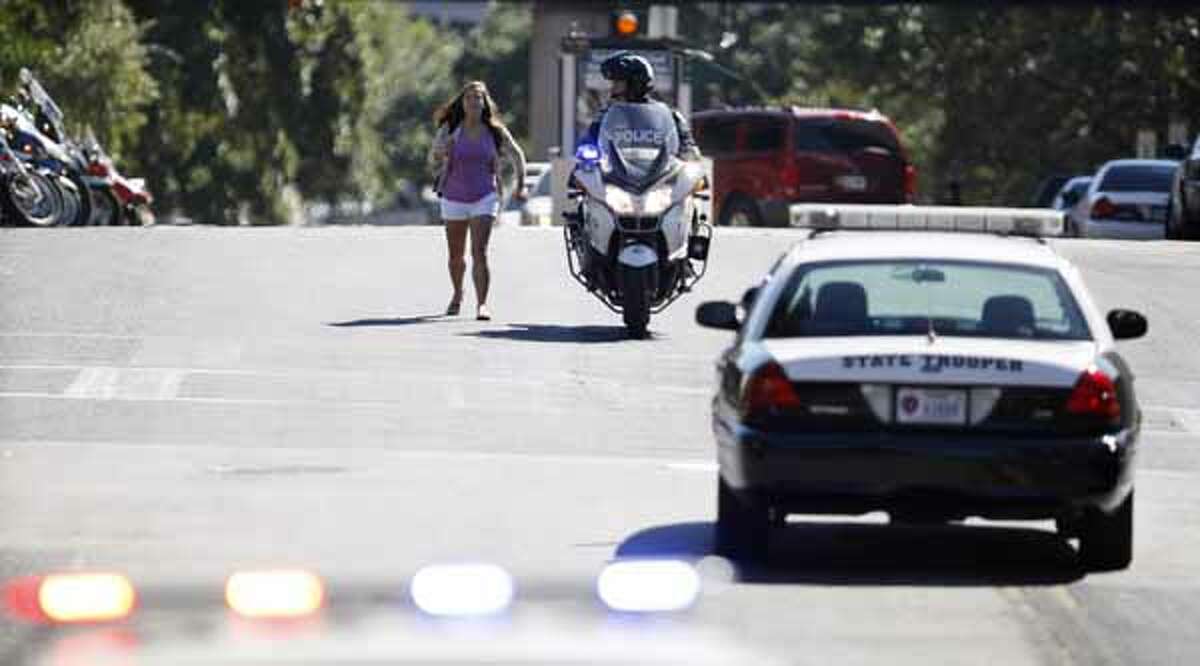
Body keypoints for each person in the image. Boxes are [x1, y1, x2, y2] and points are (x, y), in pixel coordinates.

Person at [427, 81, 526, 321]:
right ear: (463, 103)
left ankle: (482, 304)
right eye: (469, 98)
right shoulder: (451, 128)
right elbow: (433, 157)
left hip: (485, 195)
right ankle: (457, 293)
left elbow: (517, 154)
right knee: (455, 256)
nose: (473, 102)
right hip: (454, 196)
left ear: (484, 103)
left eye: (478, 98)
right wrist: (444, 150)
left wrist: (520, 184)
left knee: (479, 251)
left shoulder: (495, 131)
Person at [578, 52, 700, 161]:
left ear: (635, 82)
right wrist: (586, 148)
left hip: (661, 179)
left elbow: (687, 145)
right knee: (581, 178)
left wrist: (688, 151)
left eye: (618, 82)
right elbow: (590, 141)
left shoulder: (669, 115)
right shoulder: (605, 115)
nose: (612, 88)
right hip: (614, 178)